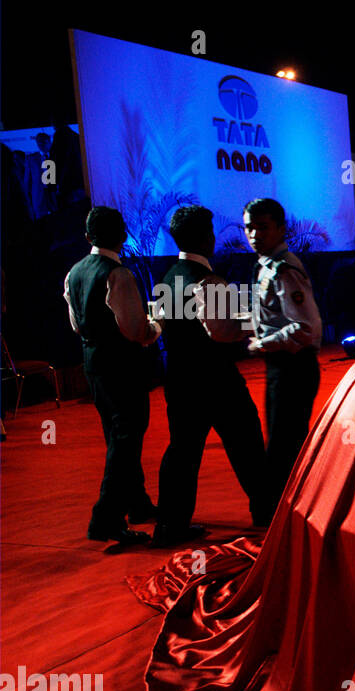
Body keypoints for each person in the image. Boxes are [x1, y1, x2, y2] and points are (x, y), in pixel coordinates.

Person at [152, 205, 271, 546]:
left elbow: (163, 323)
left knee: (182, 453)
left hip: (178, 379)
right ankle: (266, 511)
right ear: (208, 237)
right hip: (217, 380)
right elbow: (222, 332)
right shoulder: (209, 280)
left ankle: (169, 526)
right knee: (246, 443)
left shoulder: (168, 276)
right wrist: (254, 325)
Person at [63, 206, 159, 544]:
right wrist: (156, 326)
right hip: (123, 366)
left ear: (88, 237)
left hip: (93, 365)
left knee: (117, 436)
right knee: (126, 439)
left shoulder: (74, 273)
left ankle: (138, 505)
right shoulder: (118, 274)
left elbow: (77, 324)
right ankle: (105, 519)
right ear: (123, 235)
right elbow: (134, 330)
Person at [238, 198, 322, 508]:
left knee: (284, 450)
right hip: (281, 368)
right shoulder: (267, 267)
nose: (254, 235)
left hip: (293, 368)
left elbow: (305, 328)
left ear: (281, 229)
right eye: (249, 228)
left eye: (263, 227)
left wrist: (263, 343)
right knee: (283, 444)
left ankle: (285, 518)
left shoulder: (284, 270)